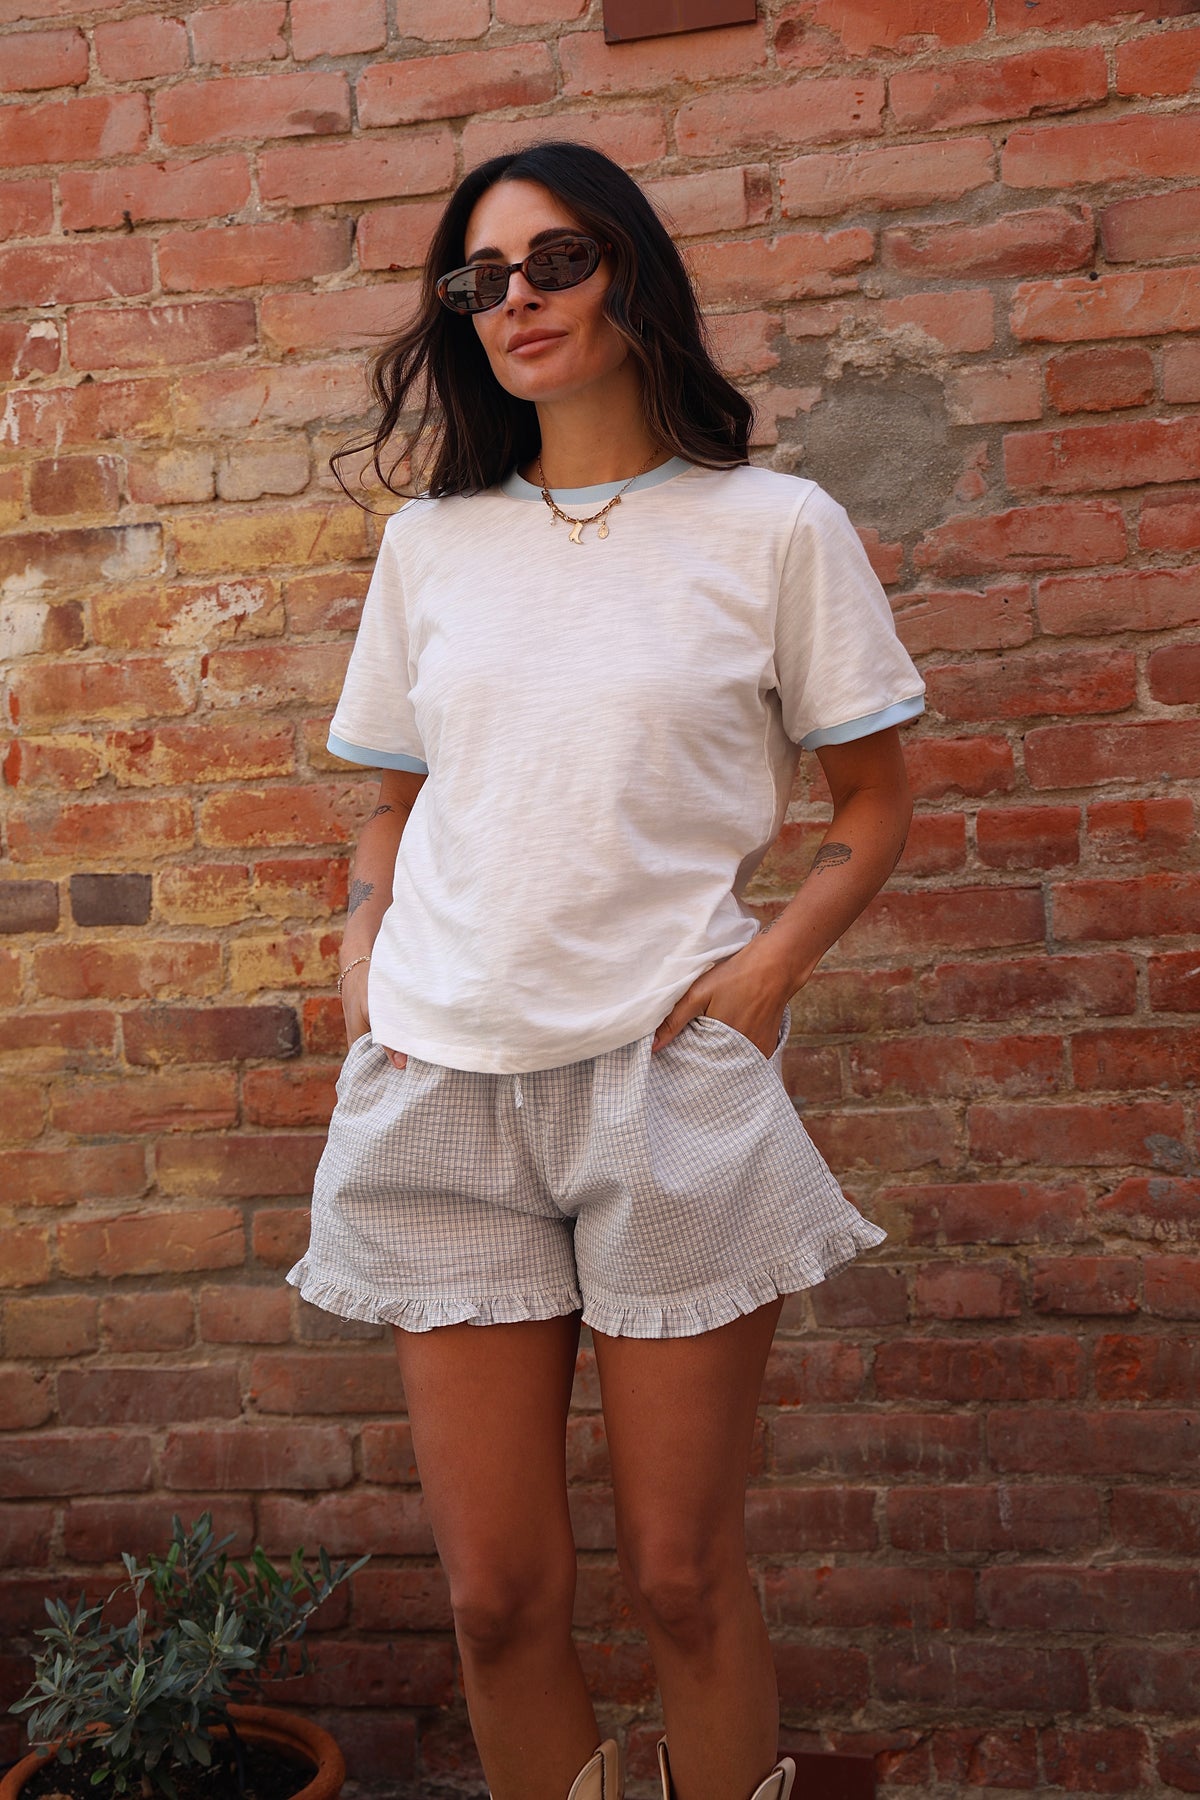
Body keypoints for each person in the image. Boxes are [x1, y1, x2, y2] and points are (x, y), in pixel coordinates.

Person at [288, 141, 924, 1800]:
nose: (516, 302)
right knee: (498, 1601)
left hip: (665, 1082)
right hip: (444, 1087)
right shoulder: (434, 548)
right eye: (478, 281)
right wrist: (364, 947)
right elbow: (391, 802)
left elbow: (877, 799)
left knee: (680, 1576)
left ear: (632, 275)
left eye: (554, 262)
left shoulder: (774, 529)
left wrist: (773, 965)